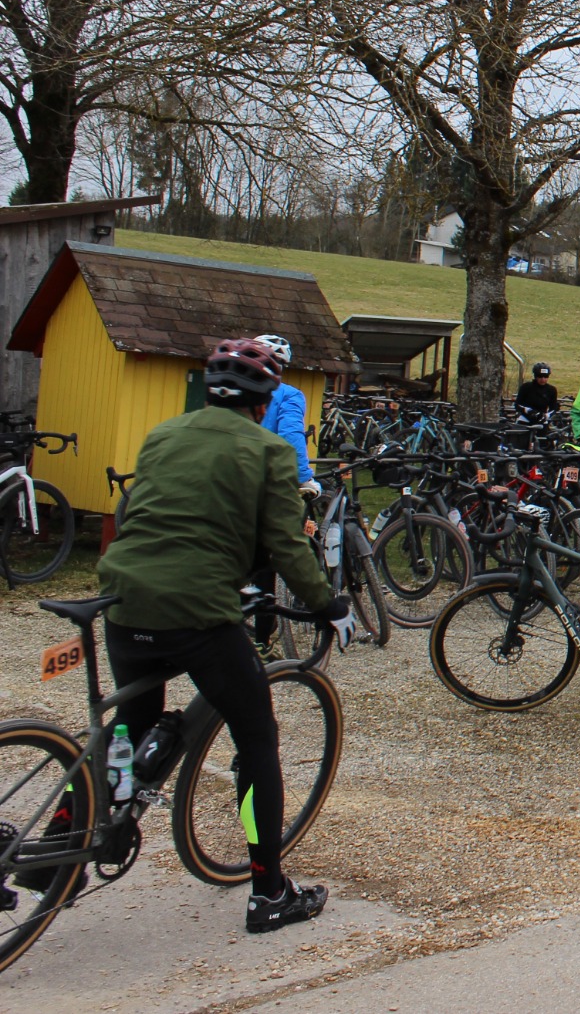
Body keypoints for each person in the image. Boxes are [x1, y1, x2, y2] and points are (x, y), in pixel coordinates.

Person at [95, 339, 355, 934]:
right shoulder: (268, 450)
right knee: (257, 739)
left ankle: (78, 824)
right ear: (264, 404)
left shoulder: (163, 434)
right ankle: (269, 891)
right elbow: (286, 542)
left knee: (132, 720)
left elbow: (152, 514)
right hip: (197, 611)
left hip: (125, 599)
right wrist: (327, 603)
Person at [250, 335, 313, 490]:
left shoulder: (235, 388)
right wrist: (301, 477)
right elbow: (291, 435)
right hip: (263, 475)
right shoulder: (288, 395)